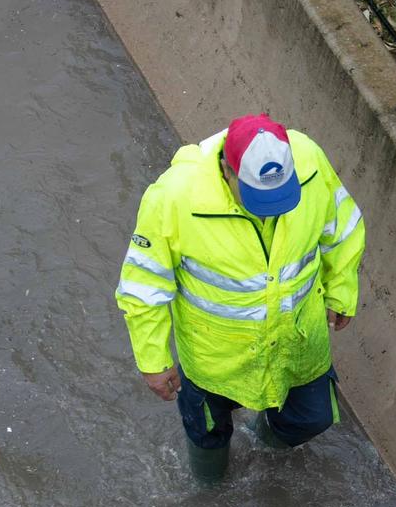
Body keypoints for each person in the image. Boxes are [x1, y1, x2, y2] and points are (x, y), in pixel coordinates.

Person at [115, 114, 366, 482]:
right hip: (214, 359)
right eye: (257, 198)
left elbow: (342, 227)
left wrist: (342, 290)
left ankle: (260, 443)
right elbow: (143, 285)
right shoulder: (173, 198)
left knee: (314, 417)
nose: (271, 210)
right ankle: (210, 489)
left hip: (296, 342)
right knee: (207, 438)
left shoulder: (310, 159)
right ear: (226, 171)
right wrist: (153, 361)